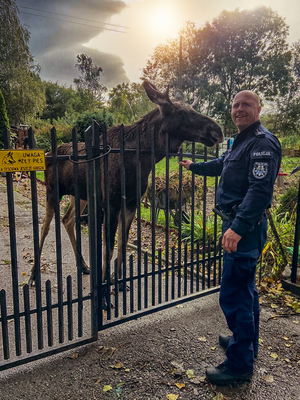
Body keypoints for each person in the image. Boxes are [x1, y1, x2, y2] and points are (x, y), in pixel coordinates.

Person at [180, 90, 281, 385]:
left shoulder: (262, 143)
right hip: (241, 227)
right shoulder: (242, 141)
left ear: (258, 109)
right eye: (236, 105)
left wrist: (236, 228)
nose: (239, 109)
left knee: (234, 294)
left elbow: (260, 192)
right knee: (245, 290)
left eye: (246, 105)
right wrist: (193, 166)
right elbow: (221, 165)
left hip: (244, 230)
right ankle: (246, 343)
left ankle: (239, 366)